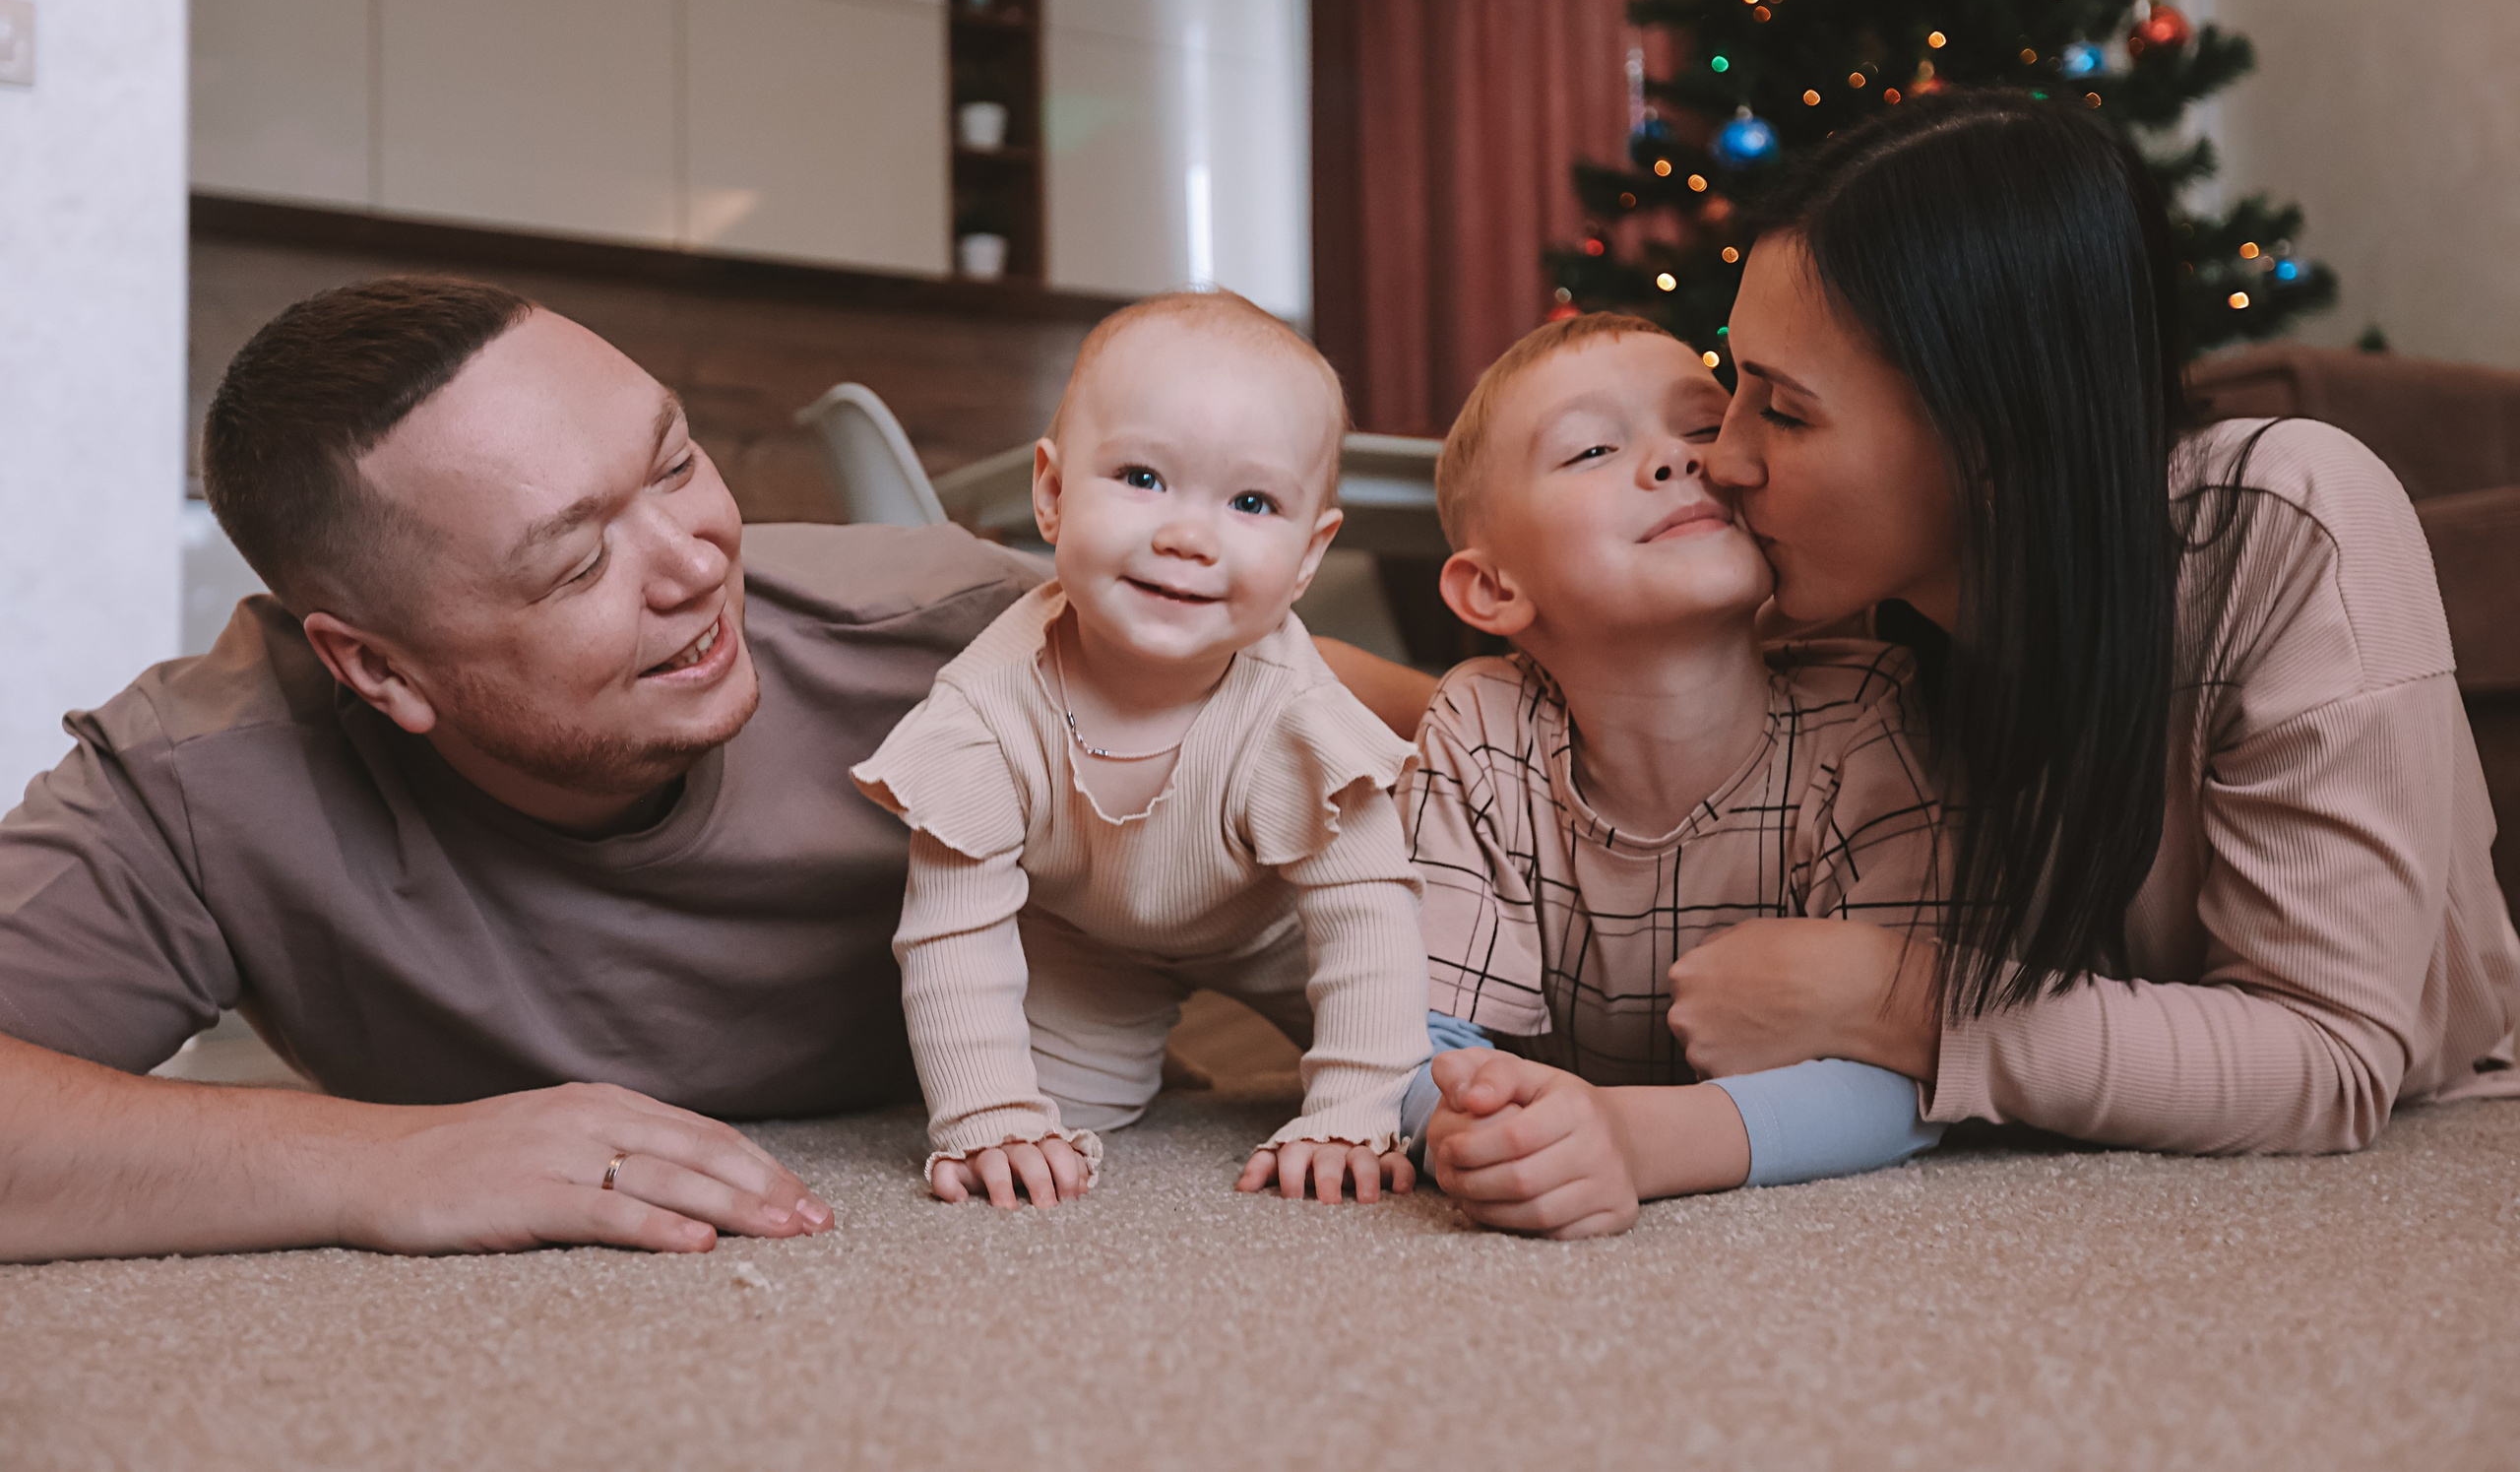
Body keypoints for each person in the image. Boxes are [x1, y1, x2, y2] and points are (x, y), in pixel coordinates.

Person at [1429, 89, 2520, 1161]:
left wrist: (1901, 1002)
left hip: (2429, 1107)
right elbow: (1578, 714)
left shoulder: (2287, 527)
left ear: (1989, 433)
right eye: (1735, 389)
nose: (1724, 458)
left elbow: (2329, 1062)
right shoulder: (1836, 577)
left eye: (1786, 410)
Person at [0, 277, 1053, 1261]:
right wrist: (379, 1159)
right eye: (580, 561)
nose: (697, 565)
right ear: (379, 667)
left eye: (676, 463)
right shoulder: (200, 777)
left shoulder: (966, 637)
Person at [853, 292, 1428, 1211]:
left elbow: (1364, 916)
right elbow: (952, 929)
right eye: (1142, 478)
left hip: (1282, 923)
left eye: (1250, 501)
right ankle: (1145, 1054)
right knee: (1040, 1122)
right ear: (1052, 494)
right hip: (1093, 938)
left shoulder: (1294, 707)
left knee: (1423, 1068)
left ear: (1309, 554)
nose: (1186, 537)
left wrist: (1351, 1109)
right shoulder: (985, 706)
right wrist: (990, 1113)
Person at [1394, 313, 1947, 1240]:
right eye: (1593, 448)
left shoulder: (1872, 719)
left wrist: (1640, 1139)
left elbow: (1913, 1076)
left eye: (1703, 428)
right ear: (1492, 590)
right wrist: (1467, 1129)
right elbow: (1418, 1036)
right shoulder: (1481, 728)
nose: (1676, 461)